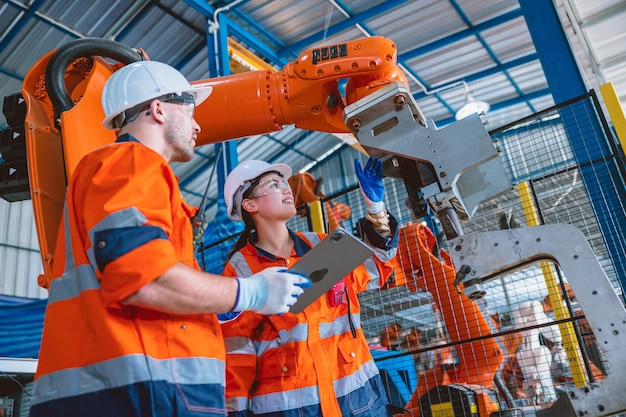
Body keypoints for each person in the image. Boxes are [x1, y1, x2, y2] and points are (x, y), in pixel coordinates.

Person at [29, 61, 310, 417]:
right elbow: (142, 278)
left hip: (133, 389)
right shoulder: (131, 162)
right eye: (190, 110)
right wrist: (252, 292)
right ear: (158, 109)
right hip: (140, 392)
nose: (198, 124)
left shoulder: (125, 173)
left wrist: (219, 306)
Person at [220, 157, 399, 416]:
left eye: (283, 183)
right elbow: (237, 354)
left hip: (358, 403)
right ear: (249, 204)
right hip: (293, 409)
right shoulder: (240, 271)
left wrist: (376, 209)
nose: (285, 189)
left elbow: (377, 268)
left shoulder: (323, 245)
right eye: (272, 184)